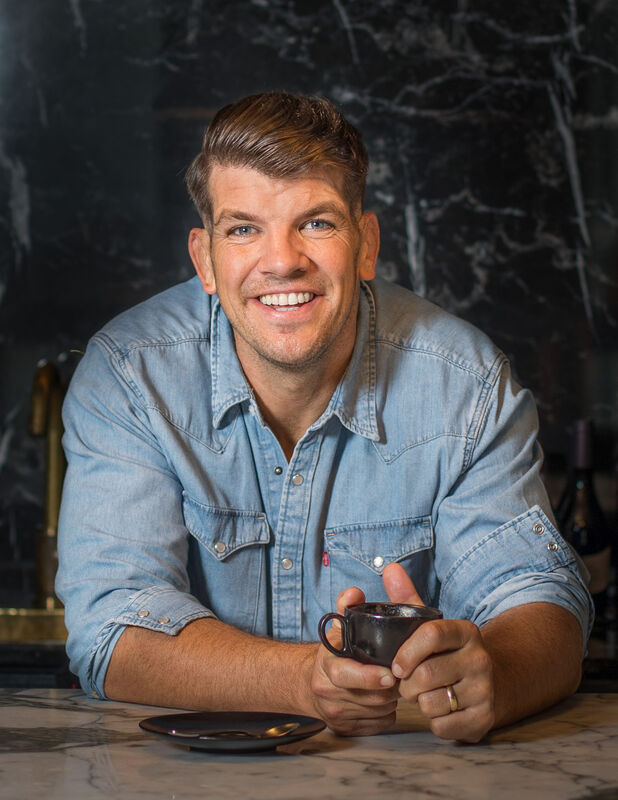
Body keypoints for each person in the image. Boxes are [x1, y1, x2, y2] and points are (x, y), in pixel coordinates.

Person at [56, 91, 592, 744]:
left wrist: (498, 673)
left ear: (366, 246)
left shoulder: (467, 384)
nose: (282, 260)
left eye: (316, 223)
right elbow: (110, 628)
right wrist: (308, 678)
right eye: (244, 228)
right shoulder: (130, 375)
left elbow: (543, 599)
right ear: (204, 260)